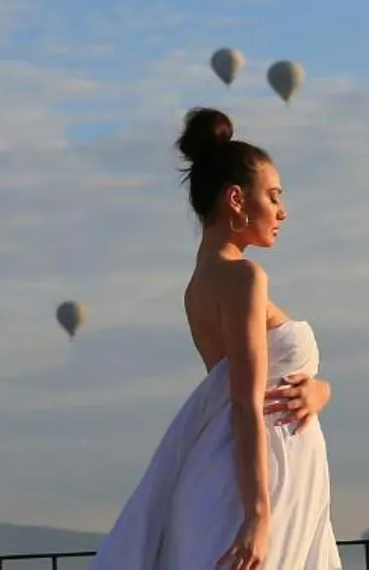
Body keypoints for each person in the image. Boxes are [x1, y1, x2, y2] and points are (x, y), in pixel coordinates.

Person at [90, 108, 341, 570]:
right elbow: (243, 402)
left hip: (235, 473)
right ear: (236, 200)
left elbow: (239, 390)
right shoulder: (243, 277)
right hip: (261, 481)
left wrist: (319, 391)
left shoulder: (198, 287)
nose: (283, 210)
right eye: (273, 196)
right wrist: (258, 517)